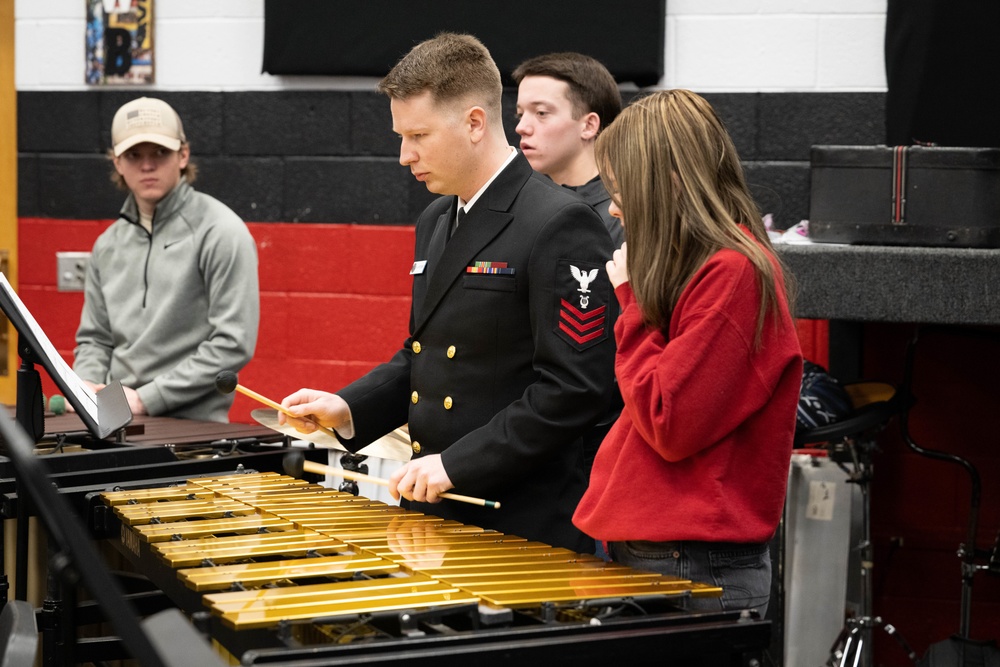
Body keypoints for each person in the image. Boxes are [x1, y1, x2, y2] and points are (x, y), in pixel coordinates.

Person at [280, 33, 616, 553]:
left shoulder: (559, 223)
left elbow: (574, 390)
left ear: (475, 123)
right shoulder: (437, 218)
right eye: (401, 135)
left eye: (418, 135)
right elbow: (426, 353)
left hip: (518, 522)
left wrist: (457, 463)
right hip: (436, 508)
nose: (403, 155)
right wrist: (347, 406)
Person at [572, 90, 803, 617]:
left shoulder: (733, 273)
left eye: (622, 189)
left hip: (690, 564)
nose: (613, 207)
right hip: (666, 555)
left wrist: (630, 303)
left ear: (668, 183)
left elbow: (668, 420)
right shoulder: (709, 270)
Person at [73, 97, 260, 423]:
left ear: (183, 155)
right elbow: (95, 339)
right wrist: (89, 385)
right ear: (117, 162)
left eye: (160, 152)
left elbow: (233, 344)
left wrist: (146, 399)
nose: (147, 165)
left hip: (192, 430)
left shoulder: (221, 232)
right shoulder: (107, 245)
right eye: (133, 155)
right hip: (115, 419)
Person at [513, 52, 624, 248]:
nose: (521, 127)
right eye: (520, 114)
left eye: (541, 113)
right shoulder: (523, 208)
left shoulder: (622, 215)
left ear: (589, 125)